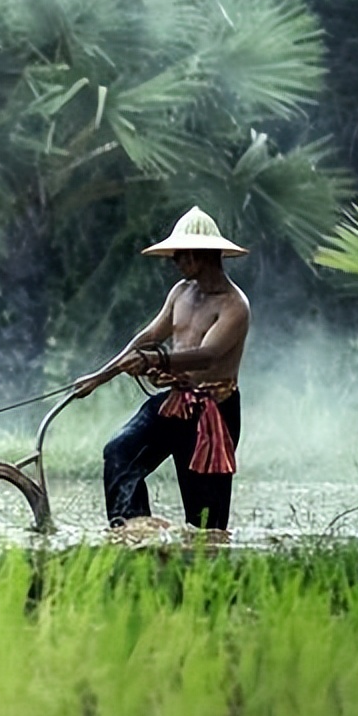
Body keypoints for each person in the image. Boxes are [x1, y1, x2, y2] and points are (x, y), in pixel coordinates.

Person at [72, 207, 250, 530]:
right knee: (120, 452)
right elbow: (148, 337)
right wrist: (99, 378)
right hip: (175, 402)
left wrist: (156, 361)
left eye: (180, 254)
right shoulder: (180, 293)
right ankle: (135, 531)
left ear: (200, 254)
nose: (175, 261)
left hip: (213, 413)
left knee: (205, 521)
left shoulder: (234, 304)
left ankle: (204, 553)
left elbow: (208, 355)